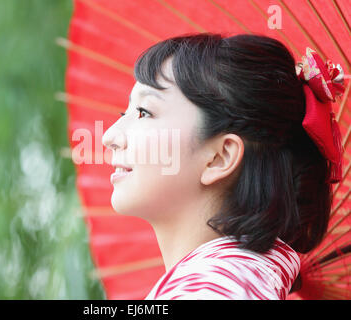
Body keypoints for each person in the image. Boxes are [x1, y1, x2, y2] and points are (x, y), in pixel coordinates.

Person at [101, 33, 344, 300]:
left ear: (220, 157)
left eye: (144, 112)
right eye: (125, 114)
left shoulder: (209, 291)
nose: (109, 136)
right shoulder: (243, 282)